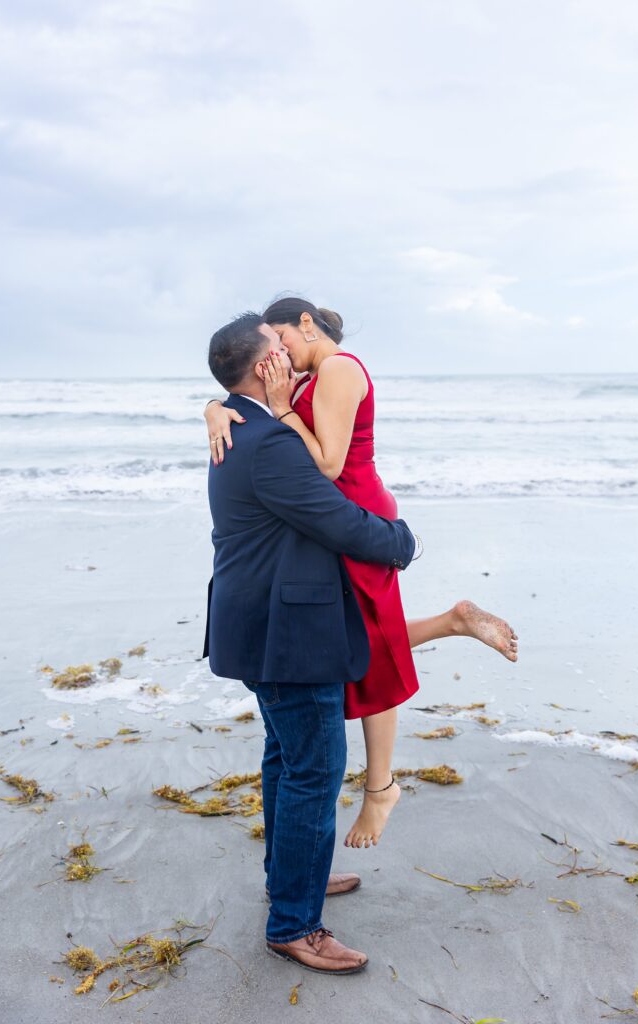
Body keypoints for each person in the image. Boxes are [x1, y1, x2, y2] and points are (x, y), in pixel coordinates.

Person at [205, 298, 519, 852]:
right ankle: (451, 624)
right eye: (272, 347)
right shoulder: (304, 376)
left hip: (353, 509)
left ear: (307, 324)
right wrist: (219, 405)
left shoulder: (339, 368)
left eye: (284, 340)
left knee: (371, 643)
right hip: (332, 509)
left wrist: (278, 406)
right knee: (368, 637)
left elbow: (326, 462)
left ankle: (381, 785)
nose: (281, 355)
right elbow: (258, 411)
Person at [203, 312, 418, 975]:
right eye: (278, 347)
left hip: (263, 623)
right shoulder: (266, 440)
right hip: (288, 634)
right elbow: (340, 523)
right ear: (264, 365)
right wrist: (401, 540)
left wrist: (219, 404)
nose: (291, 351)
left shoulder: (245, 424)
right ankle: (294, 924)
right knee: (313, 772)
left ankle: (290, 875)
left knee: (284, 759)